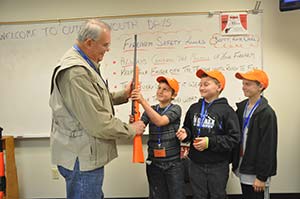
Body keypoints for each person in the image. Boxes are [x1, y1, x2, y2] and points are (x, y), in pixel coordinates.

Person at [49, 19, 145, 199]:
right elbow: (98, 123)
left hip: (82, 154)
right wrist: (131, 129)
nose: (108, 49)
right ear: (89, 43)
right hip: (81, 158)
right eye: (105, 45)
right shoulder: (76, 72)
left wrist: (124, 95)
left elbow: (94, 100)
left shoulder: (83, 64)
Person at [176, 69, 240, 199]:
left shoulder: (227, 111)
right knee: (198, 195)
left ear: (219, 87)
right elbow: (188, 128)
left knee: (218, 195)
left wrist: (210, 142)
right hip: (195, 163)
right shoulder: (194, 108)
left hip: (218, 165)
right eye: (200, 84)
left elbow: (234, 138)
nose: (201, 87)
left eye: (206, 84)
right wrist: (185, 133)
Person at [131, 76, 185, 199]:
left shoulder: (176, 109)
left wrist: (143, 101)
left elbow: (160, 121)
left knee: (177, 195)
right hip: (154, 162)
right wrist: (134, 123)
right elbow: (139, 127)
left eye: (165, 89)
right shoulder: (151, 109)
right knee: (157, 195)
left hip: (173, 164)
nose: (160, 91)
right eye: (159, 88)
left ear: (173, 95)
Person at [232, 69, 278, 199]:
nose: (243, 87)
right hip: (244, 166)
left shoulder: (267, 113)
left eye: (248, 84)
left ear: (260, 87)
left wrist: (262, 177)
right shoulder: (241, 109)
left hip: (257, 172)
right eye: (243, 83)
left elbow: (268, 147)